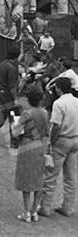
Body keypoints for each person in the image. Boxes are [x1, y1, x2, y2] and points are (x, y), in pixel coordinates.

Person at [39, 77, 78, 217]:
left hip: (61, 140)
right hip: (75, 139)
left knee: (50, 175)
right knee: (71, 176)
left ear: (59, 88)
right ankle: (67, 207)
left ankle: (45, 207)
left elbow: (56, 125)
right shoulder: (76, 101)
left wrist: (51, 141)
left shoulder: (59, 103)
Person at [13, 86, 49, 222]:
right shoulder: (45, 113)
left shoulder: (27, 113)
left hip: (27, 146)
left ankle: (26, 212)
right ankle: (34, 211)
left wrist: (13, 125)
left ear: (28, 99)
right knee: (39, 179)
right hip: (40, 146)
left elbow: (16, 132)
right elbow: (46, 132)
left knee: (26, 180)